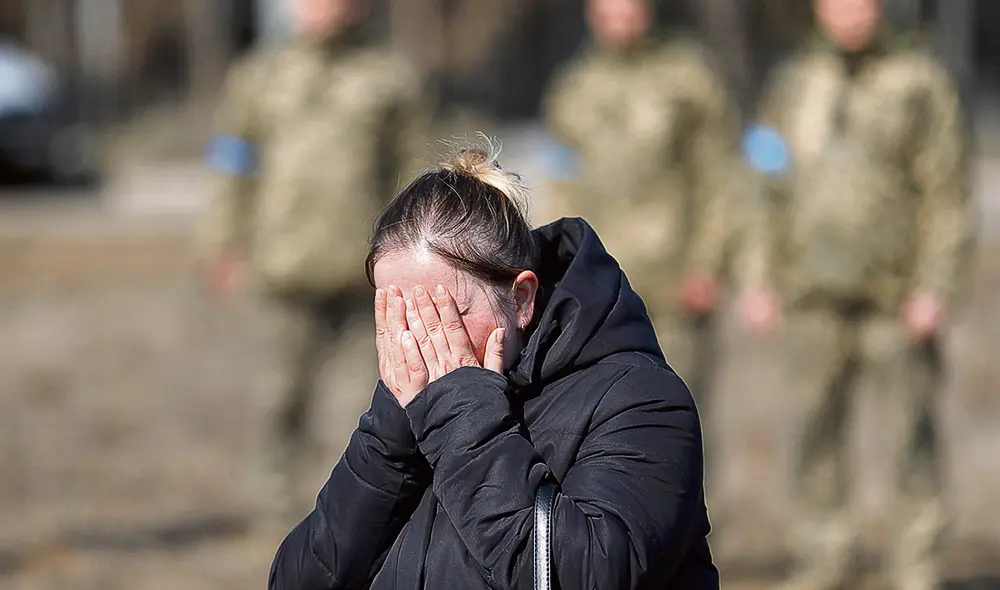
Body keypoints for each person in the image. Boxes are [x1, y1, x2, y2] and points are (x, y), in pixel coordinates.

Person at [267, 142, 719, 589]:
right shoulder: (405, 414)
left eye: (444, 314)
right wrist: (389, 438)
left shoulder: (641, 400)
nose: (422, 340)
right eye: (400, 316)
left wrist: (463, 415)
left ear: (521, 298)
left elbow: (580, 574)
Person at [739, 0, 975, 588]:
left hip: (897, 299)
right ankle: (823, 566)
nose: (851, 11)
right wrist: (758, 276)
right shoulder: (794, 83)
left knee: (909, 442)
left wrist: (935, 285)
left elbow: (947, 191)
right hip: (812, 295)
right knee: (814, 437)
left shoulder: (918, 80)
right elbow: (767, 185)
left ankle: (916, 570)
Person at [196, 0, 430, 521]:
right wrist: (223, 243)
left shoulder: (388, 79)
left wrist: (419, 255)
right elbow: (233, 164)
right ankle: (275, 509)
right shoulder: (260, 76)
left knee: (368, 406)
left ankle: (360, 512)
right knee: (277, 397)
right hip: (282, 267)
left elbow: (415, 172)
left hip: (364, 273)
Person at [542, 0, 742, 406]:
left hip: (673, 286)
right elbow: (562, 183)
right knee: (599, 417)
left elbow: (720, 176)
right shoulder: (574, 87)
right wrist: (552, 269)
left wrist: (708, 264)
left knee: (676, 412)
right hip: (595, 286)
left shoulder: (689, 80)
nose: (620, 12)